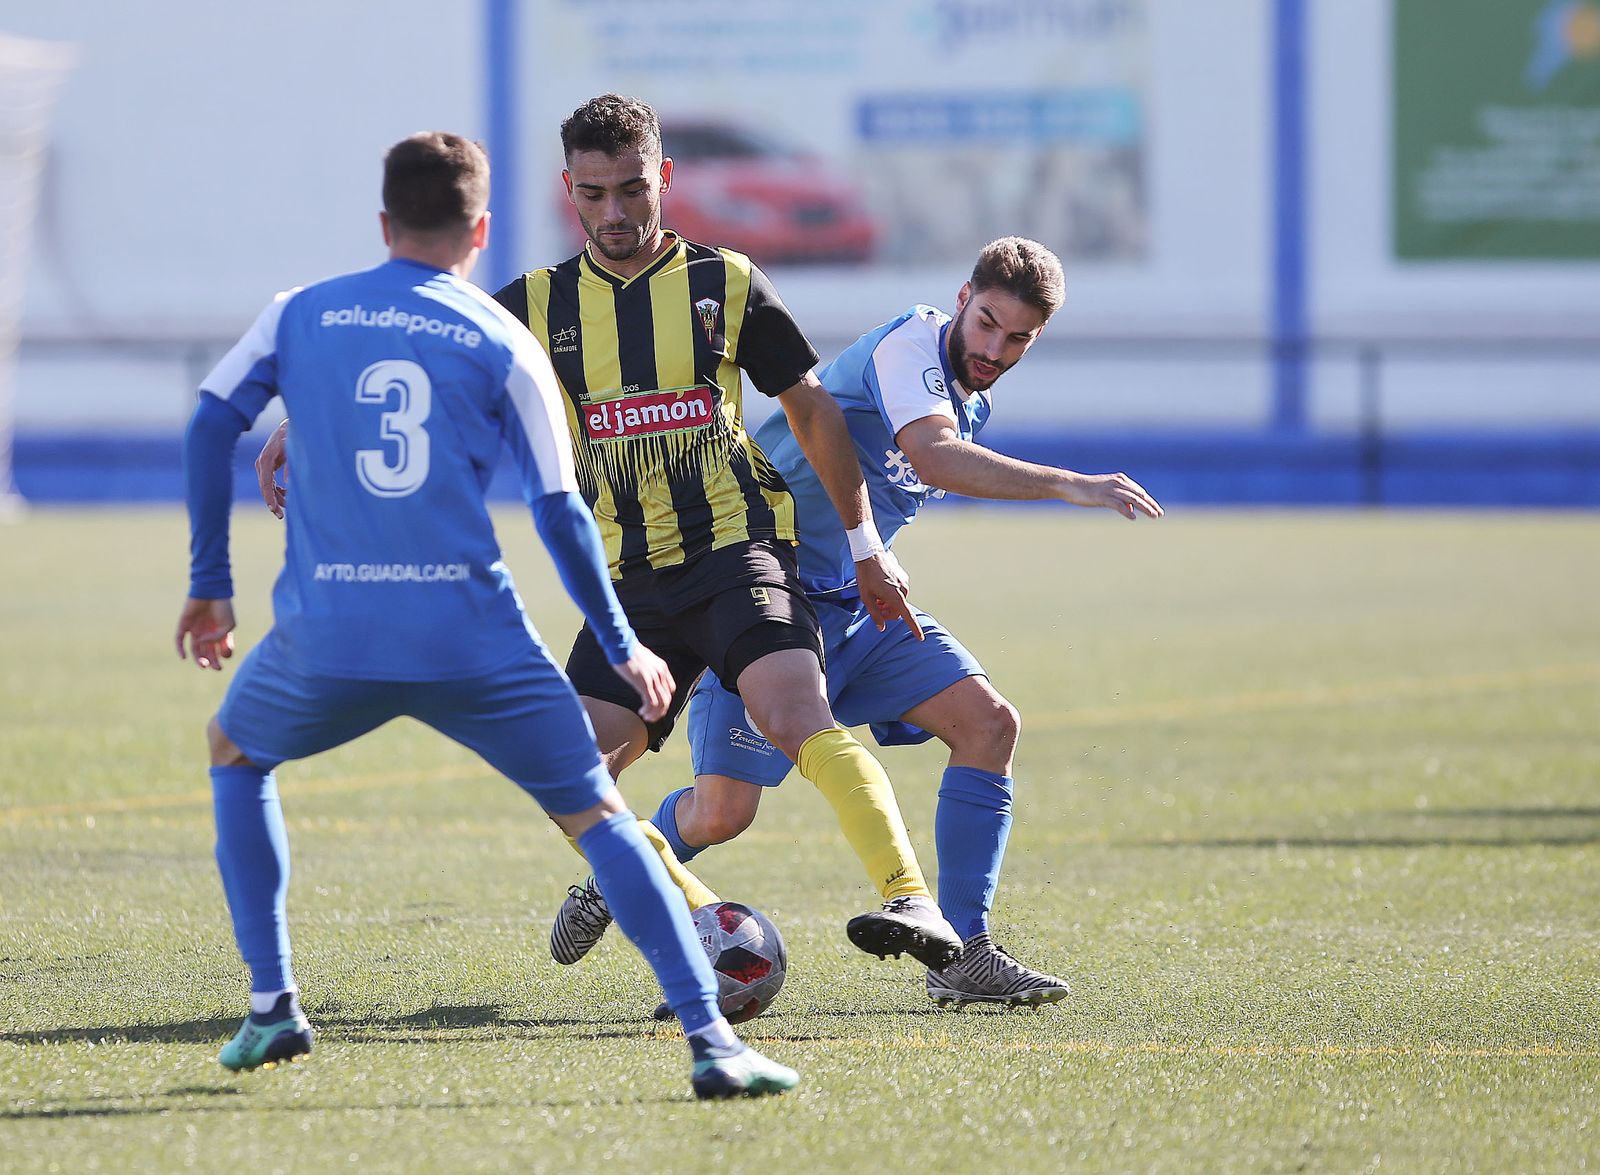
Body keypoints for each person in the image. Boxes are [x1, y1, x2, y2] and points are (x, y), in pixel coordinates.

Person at [175, 131, 796, 1098]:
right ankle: (713, 1043)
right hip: (470, 637)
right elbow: (559, 509)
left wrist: (210, 584)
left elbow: (212, 418)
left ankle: (273, 1001)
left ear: (384, 222)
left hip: (332, 631)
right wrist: (621, 640)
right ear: (480, 231)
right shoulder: (504, 335)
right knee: (601, 816)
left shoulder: (300, 311)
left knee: (234, 751)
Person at [558, 238, 1164, 1010]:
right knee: (722, 812)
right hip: (757, 599)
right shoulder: (910, 343)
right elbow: (935, 459)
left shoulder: (970, 396)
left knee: (990, 725)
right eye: (986, 323)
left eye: (1018, 338)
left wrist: (873, 559)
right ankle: (613, 874)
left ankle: (964, 951)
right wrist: (1073, 485)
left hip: (854, 609)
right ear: (962, 298)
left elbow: (902, 477)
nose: (994, 349)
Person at [485, 94, 965, 970]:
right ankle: (708, 917)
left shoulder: (726, 282)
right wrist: (310, 422)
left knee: (794, 713)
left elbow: (813, 411)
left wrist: (866, 546)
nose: (615, 212)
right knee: (565, 772)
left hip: (737, 550)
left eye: (632, 188)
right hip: (629, 582)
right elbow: (432, 365)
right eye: (593, 194)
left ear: (665, 176)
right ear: (568, 189)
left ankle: (911, 898)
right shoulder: (533, 305)